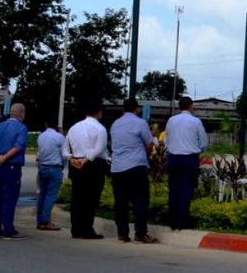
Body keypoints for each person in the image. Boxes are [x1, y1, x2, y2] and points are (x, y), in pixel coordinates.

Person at [110, 99, 158, 244]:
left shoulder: (115, 124)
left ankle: (122, 234)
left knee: (121, 202)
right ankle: (141, 233)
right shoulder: (141, 123)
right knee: (140, 201)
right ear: (137, 109)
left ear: (123, 109)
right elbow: (149, 144)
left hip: (117, 168)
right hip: (136, 166)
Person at [0, 103, 29, 239]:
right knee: (9, 198)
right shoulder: (21, 128)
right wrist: (4, 158)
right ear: (21, 113)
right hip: (11, 166)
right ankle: (8, 229)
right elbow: (18, 146)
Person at [64, 106, 109, 240]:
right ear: (99, 113)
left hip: (75, 163)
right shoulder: (100, 128)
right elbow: (99, 148)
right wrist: (87, 159)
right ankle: (87, 229)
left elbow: (65, 148)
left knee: (77, 197)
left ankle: (76, 229)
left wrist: (70, 158)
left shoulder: (74, 127)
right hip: (93, 165)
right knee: (91, 198)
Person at [165, 96, 208, 230]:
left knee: (173, 190)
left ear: (179, 107)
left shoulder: (171, 120)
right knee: (186, 190)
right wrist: (197, 150)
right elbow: (204, 143)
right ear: (191, 106)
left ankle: (172, 221)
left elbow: (166, 140)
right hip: (189, 158)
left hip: (173, 157)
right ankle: (181, 222)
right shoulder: (196, 121)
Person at [34, 117, 66, 232]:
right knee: (50, 196)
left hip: (43, 168)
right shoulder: (59, 137)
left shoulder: (41, 136)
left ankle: (39, 219)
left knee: (42, 194)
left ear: (46, 124)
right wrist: (62, 166)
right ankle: (45, 221)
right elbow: (64, 154)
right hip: (55, 167)